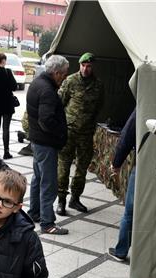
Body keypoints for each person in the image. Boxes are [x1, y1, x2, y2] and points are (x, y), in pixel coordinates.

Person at [56, 51, 104, 216]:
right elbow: (59, 104)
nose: (86, 69)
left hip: (86, 134)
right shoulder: (70, 81)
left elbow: (99, 107)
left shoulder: (98, 85)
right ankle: (61, 200)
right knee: (63, 166)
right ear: (79, 65)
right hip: (69, 132)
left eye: (89, 66)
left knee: (82, 168)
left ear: (93, 67)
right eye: (83, 65)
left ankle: (75, 199)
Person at [26, 54, 69, 235]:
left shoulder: (37, 83)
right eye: (64, 74)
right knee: (48, 183)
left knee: (37, 179)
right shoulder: (47, 91)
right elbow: (46, 121)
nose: (65, 77)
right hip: (46, 144)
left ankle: (34, 213)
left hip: (37, 141)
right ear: (57, 73)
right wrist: (60, 133)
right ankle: (47, 223)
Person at [108, 108, 137, 263]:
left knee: (130, 212)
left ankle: (121, 251)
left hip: (144, 166)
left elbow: (127, 137)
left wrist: (117, 163)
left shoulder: (145, 103)